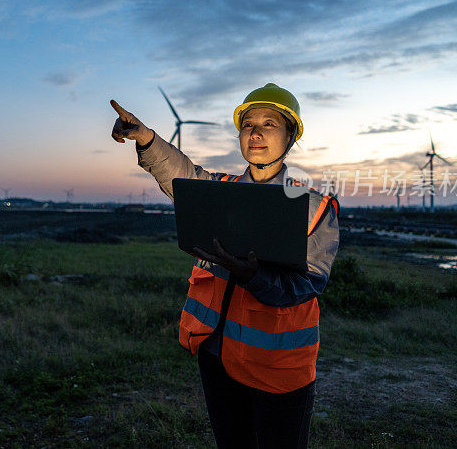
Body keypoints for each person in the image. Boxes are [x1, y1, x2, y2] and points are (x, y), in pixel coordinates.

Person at [110, 83, 339, 449]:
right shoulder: (219, 192)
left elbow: (309, 284)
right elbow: (182, 176)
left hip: (278, 367)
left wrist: (255, 277)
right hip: (217, 356)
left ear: (291, 136)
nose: (256, 132)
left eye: (270, 123)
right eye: (248, 124)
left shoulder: (312, 206)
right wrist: (148, 138)